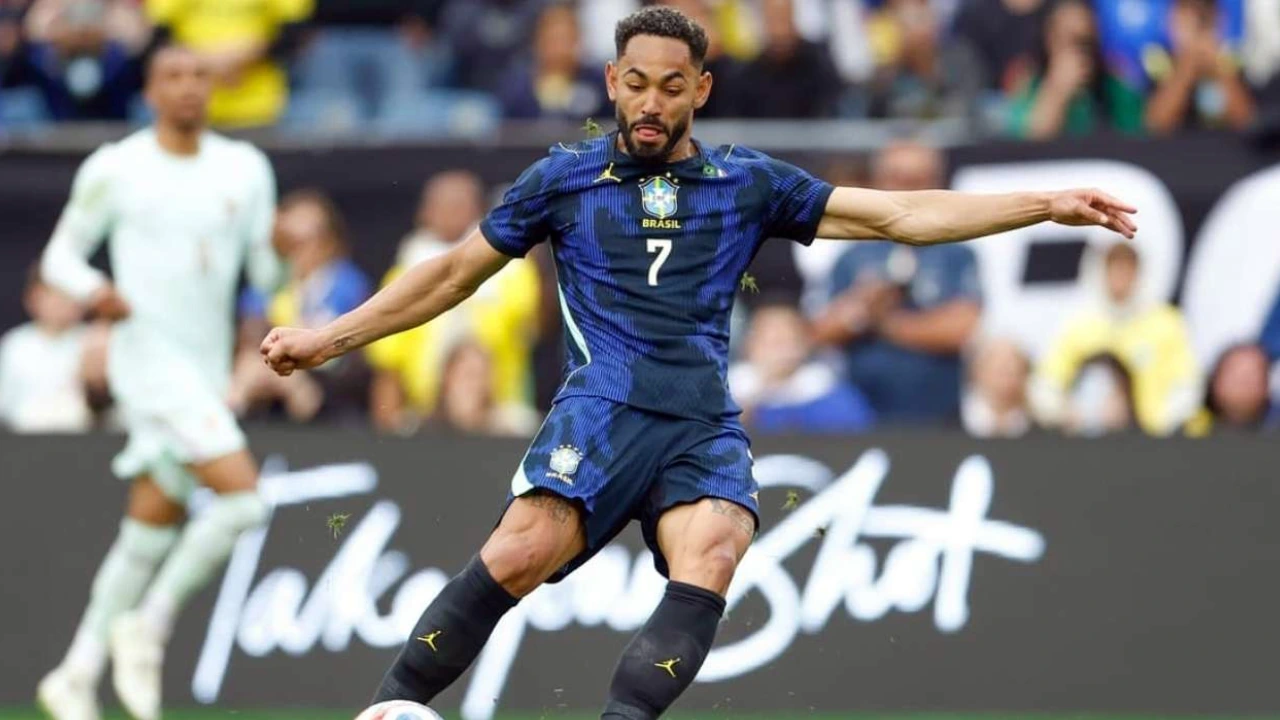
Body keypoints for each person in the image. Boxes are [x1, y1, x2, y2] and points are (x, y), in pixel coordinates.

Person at [260, 7, 1136, 718]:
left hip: (701, 421)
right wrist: (323, 337)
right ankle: (391, 707)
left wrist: (1043, 203)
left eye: (670, 88)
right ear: (611, 81)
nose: (649, 102)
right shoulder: (562, 179)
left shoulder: (748, 182)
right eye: (635, 83)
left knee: (715, 548)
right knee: (522, 550)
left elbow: (899, 216)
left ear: (701, 90)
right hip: (601, 405)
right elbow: (452, 274)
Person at [35, 45, 283, 720]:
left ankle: (76, 671)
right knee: (244, 502)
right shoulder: (115, 167)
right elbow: (59, 258)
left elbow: (262, 276)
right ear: (148, 91)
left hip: (203, 369)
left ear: (213, 86)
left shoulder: (246, 168)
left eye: (199, 74)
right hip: (144, 359)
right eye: (173, 77)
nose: (188, 88)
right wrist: (97, 291)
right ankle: (150, 625)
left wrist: (276, 283)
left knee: (149, 530)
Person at [0, 264, 94, 433]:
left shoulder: (95, 341)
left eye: (68, 294)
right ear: (33, 298)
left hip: (84, 440)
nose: (61, 303)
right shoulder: (15, 345)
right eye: (53, 295)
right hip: (24, 441)